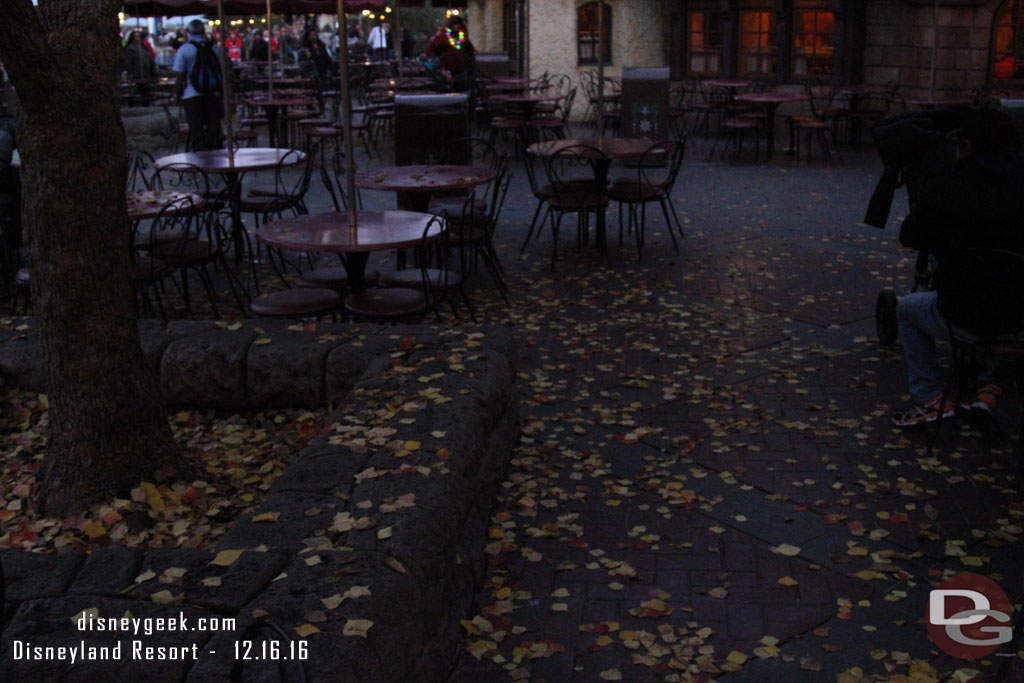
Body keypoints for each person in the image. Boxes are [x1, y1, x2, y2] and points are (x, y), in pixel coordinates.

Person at [889, 107, 1024, 427]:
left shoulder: (949, 184)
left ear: (967, 146)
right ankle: (991, 385)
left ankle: (931, 396)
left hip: (964, 312)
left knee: (907, 309)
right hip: (1020, 313)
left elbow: (911, 235)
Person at [172, 19, 224, 152]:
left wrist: (176, 95)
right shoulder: (214, 49)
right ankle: (217, 162)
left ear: (189, 32)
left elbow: (179, 75)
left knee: (196, 132)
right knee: (214, 131)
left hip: (192, 95)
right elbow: (221, 70)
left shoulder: (184, 50)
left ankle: (199, 164)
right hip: (213, 94)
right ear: (203, 32)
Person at [421, 15, 475, 92]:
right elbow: (433, 45)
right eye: (455, 24)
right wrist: (425, 54)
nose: (457, 26)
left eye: (458, 24)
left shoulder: (462, 35)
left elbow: (469, 48)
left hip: (461, 70)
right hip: (447, 70)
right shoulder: (443, 35)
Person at [123, 31, 157, 96]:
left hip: (146, 73)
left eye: (139, 36)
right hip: (137, 73)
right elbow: (128, 62)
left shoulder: (143, 47)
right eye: (136, 36)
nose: (138, 38)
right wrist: (130, 72)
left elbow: (149, 57)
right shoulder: (130, 48)